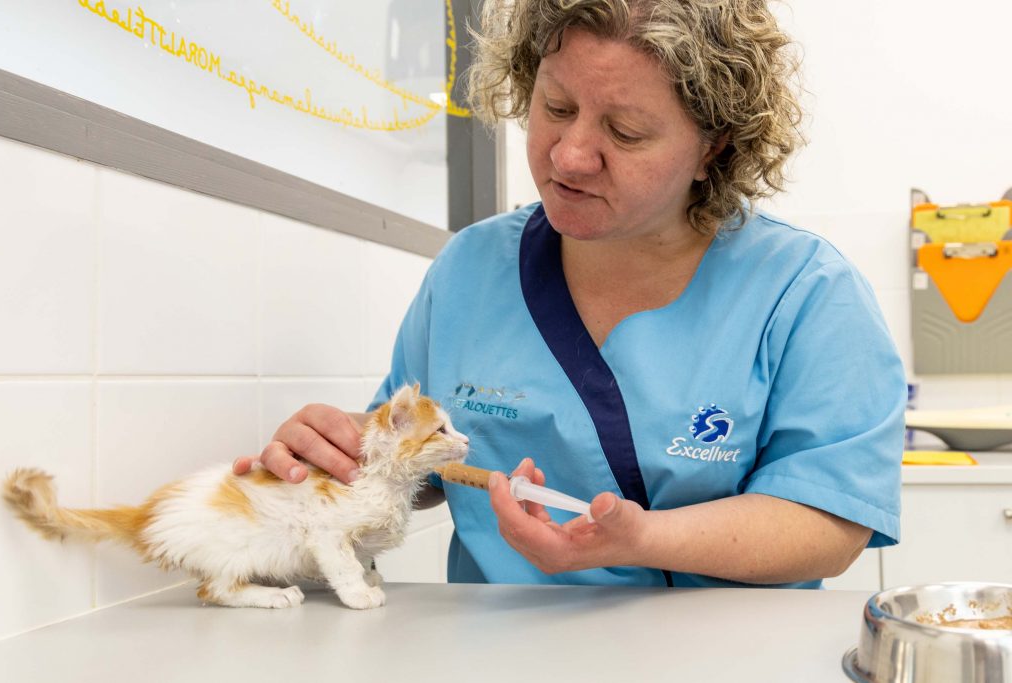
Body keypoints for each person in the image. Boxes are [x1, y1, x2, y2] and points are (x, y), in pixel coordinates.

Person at [234, 0, 905, 588]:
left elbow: (830, 520)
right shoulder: (471, 269)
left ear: (713, 148)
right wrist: (335, 452)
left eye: (626, 132)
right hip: (497, 654)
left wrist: (641, 539)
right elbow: (419, 470)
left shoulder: (805, 294)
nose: (570, 155)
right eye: (556, 108)